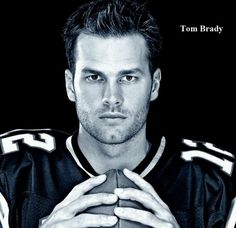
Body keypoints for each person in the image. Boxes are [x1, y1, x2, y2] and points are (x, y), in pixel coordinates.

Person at [0, 0, 235, 227]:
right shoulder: (13, 169)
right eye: (94, 77)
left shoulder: (215, 183)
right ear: (70, 85)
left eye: (128, 78)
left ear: (154, 85)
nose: (112, 97)